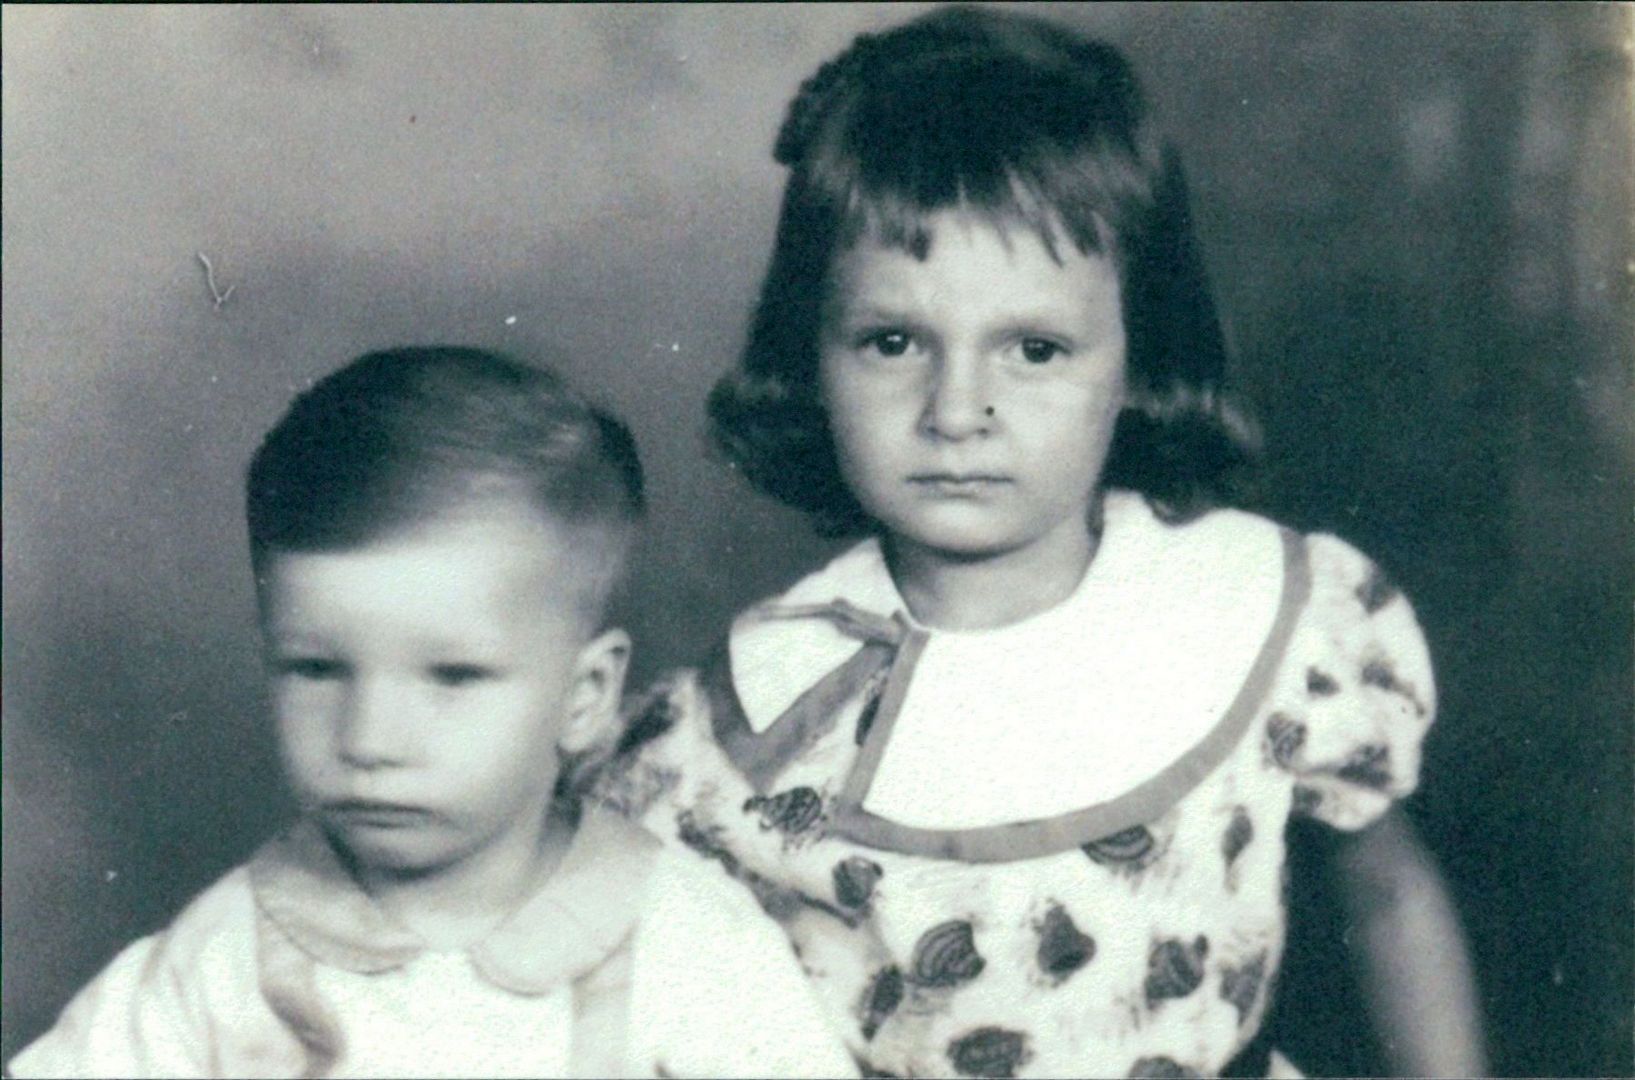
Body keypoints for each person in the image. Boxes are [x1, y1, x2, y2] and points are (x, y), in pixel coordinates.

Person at [600, 8, 1484, 1078]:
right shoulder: (742, 724)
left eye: (1033, 349)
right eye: (892, 341)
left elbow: (1386, 894)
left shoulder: (1269, 611)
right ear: (811, 356)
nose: (955, 410)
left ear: (1136, 357)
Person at [8, 347, 855, 1079]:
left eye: (451, 677)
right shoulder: (222, 961)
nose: (369, 739)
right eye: (316, 669)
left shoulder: (688, 945)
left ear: (584, 696)